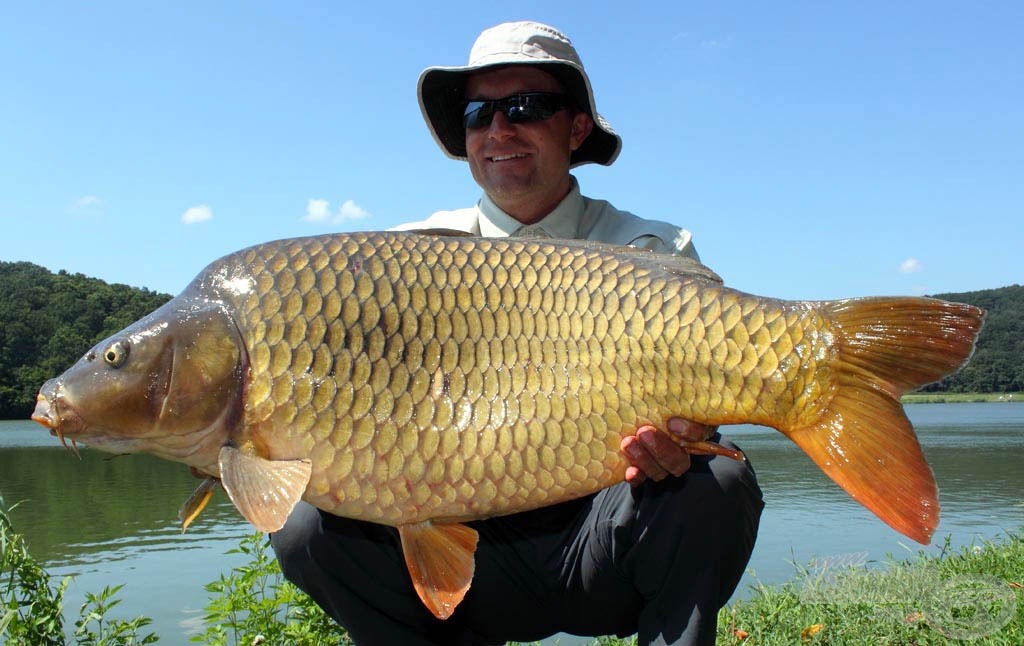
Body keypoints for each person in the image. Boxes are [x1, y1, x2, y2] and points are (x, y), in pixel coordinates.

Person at [271, 21, 763, 646]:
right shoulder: (403, 259)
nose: (499, 130)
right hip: (469, 558)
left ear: (577, 126)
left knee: (713, 484)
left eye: (526, 107)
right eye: (478, 113)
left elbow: (704, 416)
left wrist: (692, 432)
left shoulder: (650, 249)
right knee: (307, 525)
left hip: (600, 541)